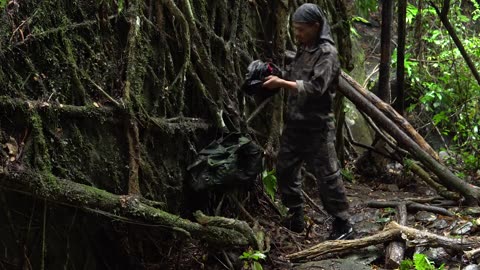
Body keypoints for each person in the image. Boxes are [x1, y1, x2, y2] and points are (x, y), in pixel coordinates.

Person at [262, 3, 353, 240]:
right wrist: (274, 74)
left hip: (317, 127)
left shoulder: (327, 54)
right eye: (296, 29)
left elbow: (316, 88)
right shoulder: (303, 49)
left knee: (327, 176)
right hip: (295, 124)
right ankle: (296, 216)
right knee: (285, 170)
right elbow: (294, 75)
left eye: (301, 29)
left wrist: (281, 84)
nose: (297, 34)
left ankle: (343, 223)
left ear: (315, 26)